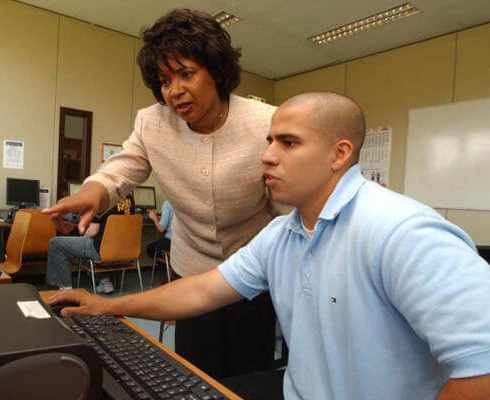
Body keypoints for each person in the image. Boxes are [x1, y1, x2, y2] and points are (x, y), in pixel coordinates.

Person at [49, 92, 490, 399]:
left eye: (289, 143)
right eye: (269, 141)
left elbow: (483, 370)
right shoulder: (284, 234)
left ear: (339, 155)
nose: (267, 155)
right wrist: (107, 306)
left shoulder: (401, 232)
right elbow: (202, 290)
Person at [44, 9, 281, 379]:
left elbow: (288, 199)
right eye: (165, 80)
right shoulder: (152, 122)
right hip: (190, 268)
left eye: (186, 74)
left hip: (254, 269)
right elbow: (122, 169)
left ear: (216, 71)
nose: (174, 91)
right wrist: (93, 192)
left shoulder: (266, 122)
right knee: (193, 369)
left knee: (249, 372)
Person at [45, 194, 134, 291]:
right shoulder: (129, 198)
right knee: (89, 243)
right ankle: (104, 280)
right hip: (125, 250)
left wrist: (81, 230)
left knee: (56, 244)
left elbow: (92, 232)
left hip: (101, 250)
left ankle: (65, 288)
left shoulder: (102, 201)